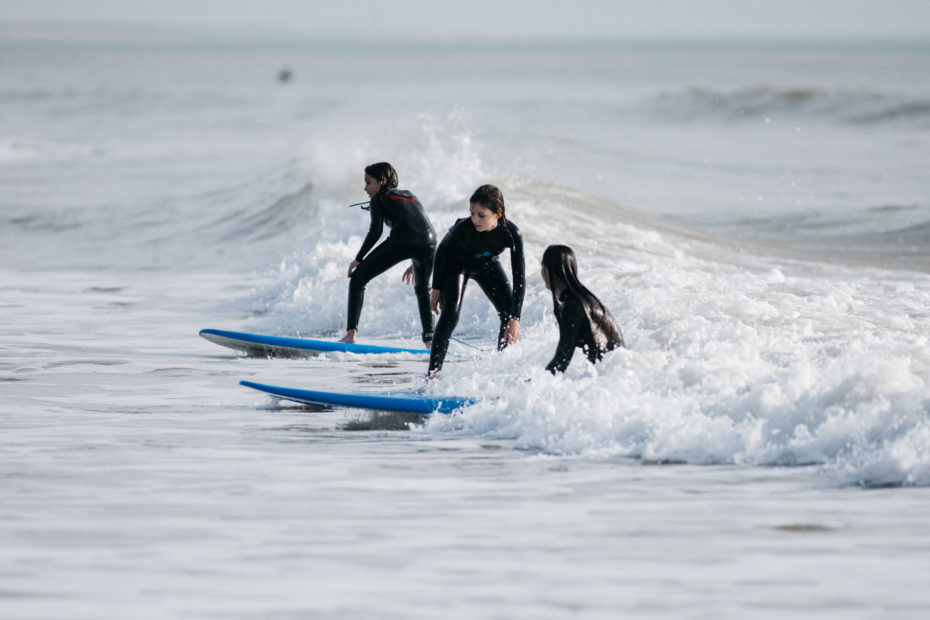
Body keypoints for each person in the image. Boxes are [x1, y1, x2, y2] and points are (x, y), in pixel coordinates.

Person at [428, 184, 525, 376]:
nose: (475, 219)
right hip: (456, 266)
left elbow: (519, 277)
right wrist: (436, 288)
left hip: (486, 265)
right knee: (450, 315)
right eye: (472, 213)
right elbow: (441, 252)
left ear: (497, 214)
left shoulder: (511, 234)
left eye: (481, 215)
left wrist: (516, 318)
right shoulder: (463, 228)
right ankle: (432, 376)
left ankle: (500, 369)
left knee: (508, 313)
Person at [340, 162, 437, 347]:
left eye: (369, 182)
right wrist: (416, 259)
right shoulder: (411, 195)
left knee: (358, 278)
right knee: (423, 290)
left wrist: (358, 259)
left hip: (404, 239)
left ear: (382, 181)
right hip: (430, 243)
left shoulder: (379, 199)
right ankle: (430, 342)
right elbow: (418, 226)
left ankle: (351, 334)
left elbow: (375, 232)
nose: (365, 188)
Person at [540, 244, 624, 373]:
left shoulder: (573, 305)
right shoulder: (585, 299)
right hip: (617, 370)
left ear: (548, 271)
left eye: (542, 266)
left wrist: (530, 384)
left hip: (611, 374)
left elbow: (562, 359)